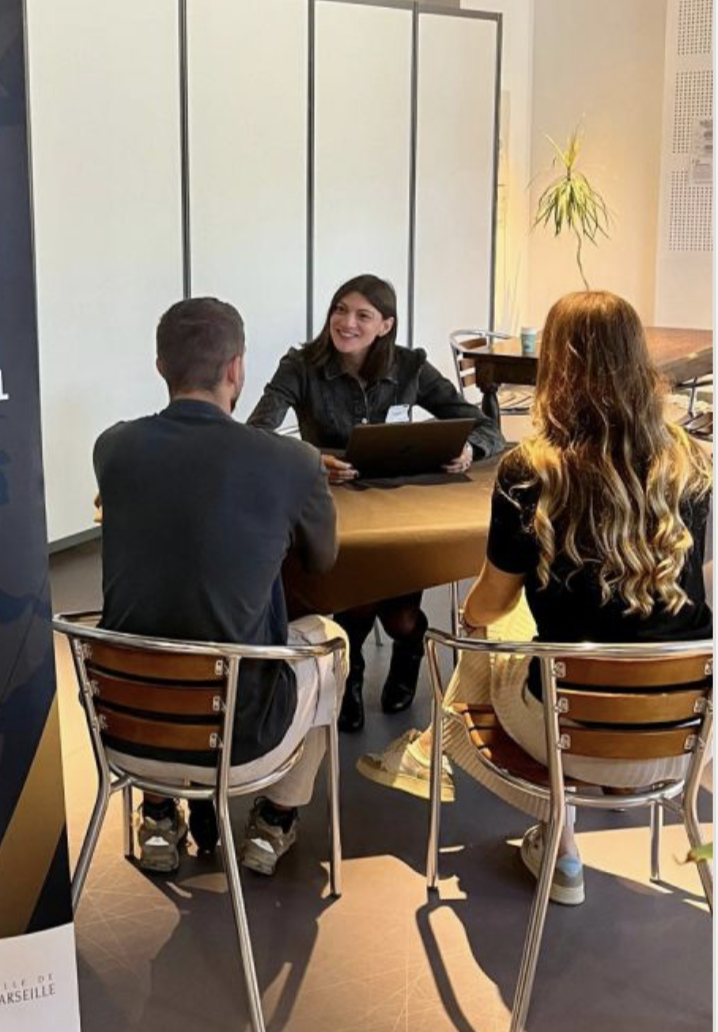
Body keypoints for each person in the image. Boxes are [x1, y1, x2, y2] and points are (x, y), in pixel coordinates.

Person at [359, 291, 713, 906]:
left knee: (487, 632)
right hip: (683, 738)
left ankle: (543, 833)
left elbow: (492, 603)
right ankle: (457, 769)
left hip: (570, 734)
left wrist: (469, 620)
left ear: (556, 365)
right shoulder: (690, 465)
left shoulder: (532, 470)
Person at [94, 296, 346, 876]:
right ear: (236, 369)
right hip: (239, 742)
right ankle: (274, 820)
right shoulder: (294, 461)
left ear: (161, 366)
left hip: (123, 731)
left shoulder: (112, 447)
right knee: (332, 642)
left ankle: (158, 815)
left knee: (157, 622)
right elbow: (322, 560)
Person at [248, 274, 505, 732]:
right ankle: (351, 675)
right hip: (331, 506)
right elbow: (256, 435)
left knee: (400, 618)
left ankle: (409, 644)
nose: (346, 323)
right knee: (356, 607)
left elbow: (486, 427)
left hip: (400, 509)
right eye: (340, 310)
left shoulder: (410, 367)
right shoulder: (301, 365)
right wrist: (312, 459)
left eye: (362, 315)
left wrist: (470, 449)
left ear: (385, 325)